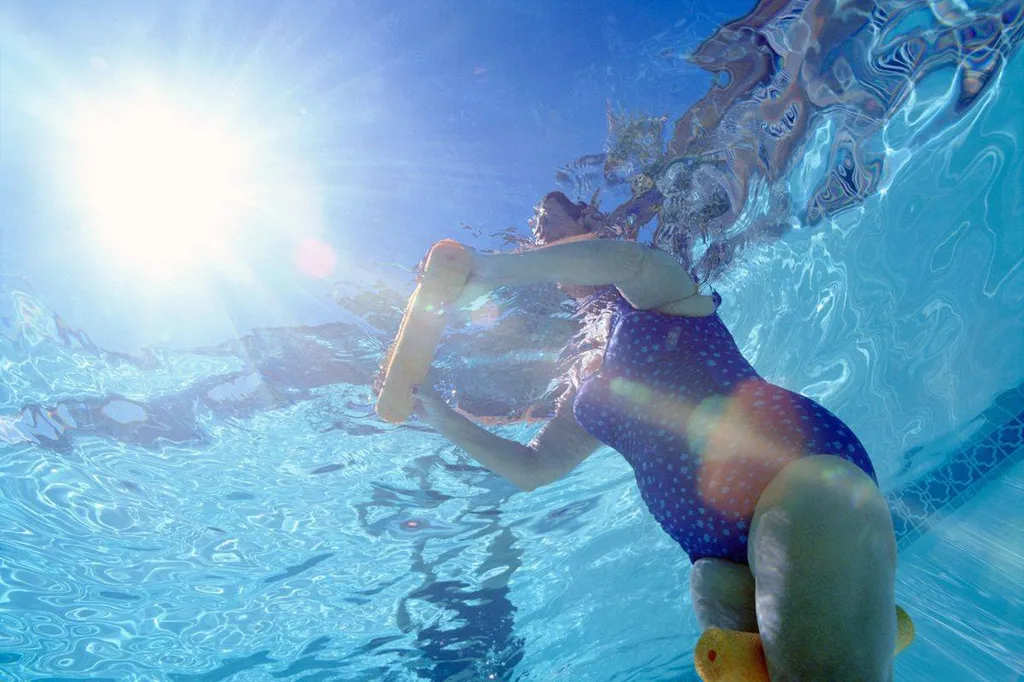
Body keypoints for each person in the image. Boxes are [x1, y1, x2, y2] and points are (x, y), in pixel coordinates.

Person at [411, 191, 898, 682]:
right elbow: (536, 467)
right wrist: (437, 414)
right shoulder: (585, 371)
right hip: (712, 560)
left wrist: (489, 269)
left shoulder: (656, 283)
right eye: (537, 231)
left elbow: (624, 259)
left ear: (596, 225)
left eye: (552, 225)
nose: (540, 236)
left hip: (798, 480)